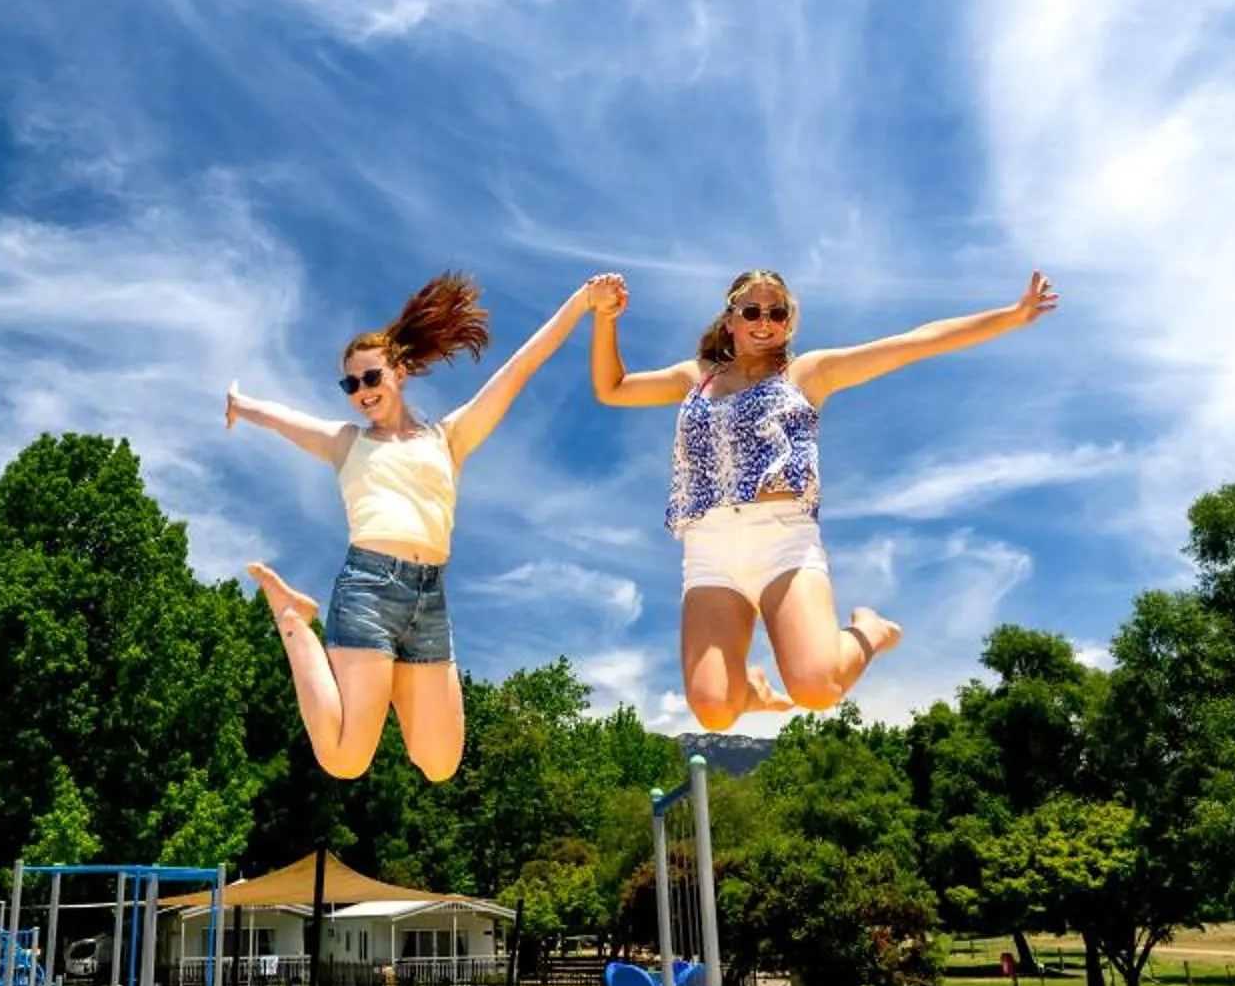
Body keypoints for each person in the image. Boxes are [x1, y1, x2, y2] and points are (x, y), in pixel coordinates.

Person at [589, 265, 1058, 729]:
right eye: (752, 311)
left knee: (816, 688)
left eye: (778, 313)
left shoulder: (808, 373)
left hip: (784, 545)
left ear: (788, 322)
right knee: (713, 710)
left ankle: (868, 630)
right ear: (730, 320)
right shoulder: (698, 376)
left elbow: (915, 342)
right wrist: (606, 319)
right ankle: (750, 691)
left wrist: (1011, 315)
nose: (765, 322)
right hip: (709, 551)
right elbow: (612, 388)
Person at [228, 271, 600, 780]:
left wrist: (580, 302)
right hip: (368, 590)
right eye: (350, 384)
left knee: (441, 764)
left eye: (372, 377)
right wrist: (241, 405)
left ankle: (369, 658)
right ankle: (292, 618)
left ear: (399, 371)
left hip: (428, 599)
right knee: (344, 760)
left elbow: (518, 370)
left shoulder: (448, 438)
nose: (361, 391)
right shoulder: (346, 443)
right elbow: (283, 418)